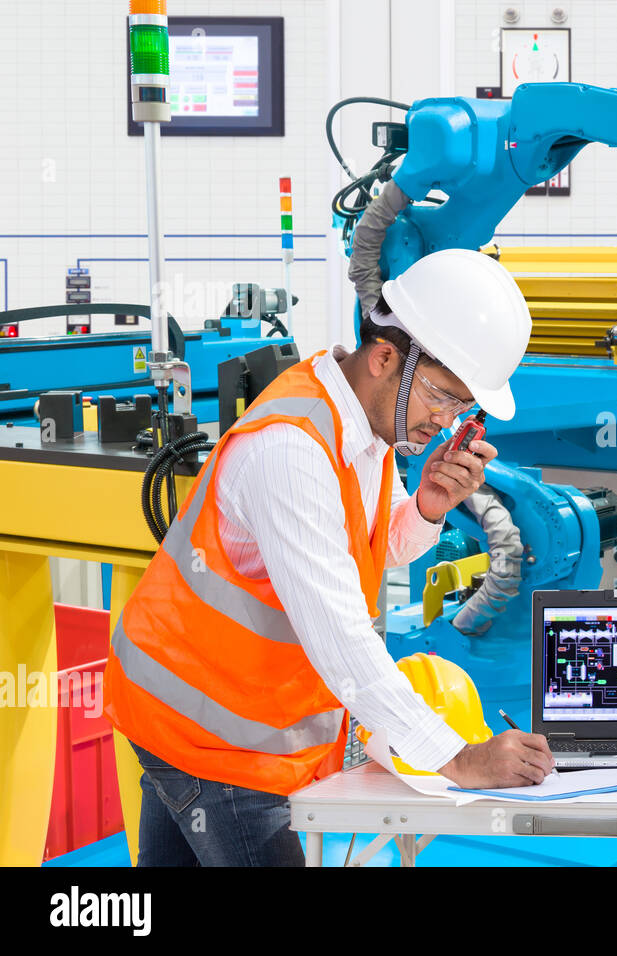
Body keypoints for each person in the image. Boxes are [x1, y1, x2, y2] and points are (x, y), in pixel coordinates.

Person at [104, 249, 554, 866]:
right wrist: (457, 756)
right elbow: (340, 634)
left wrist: (428, 503)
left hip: (194, 712)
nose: (448, 423)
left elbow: (376, 545)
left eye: (462, 409)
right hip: (218, 734)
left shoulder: (363, 428)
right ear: (386, 357)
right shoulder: (292, 450)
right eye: (443, 397)